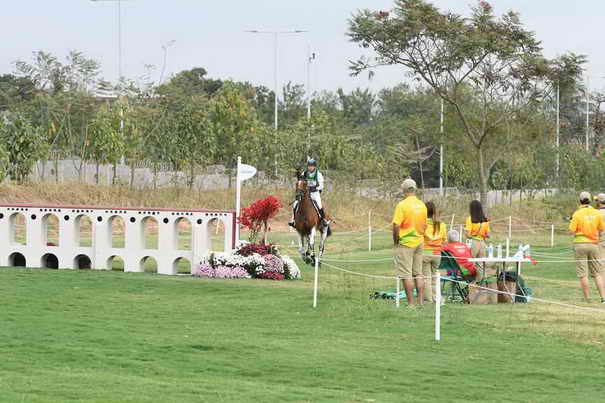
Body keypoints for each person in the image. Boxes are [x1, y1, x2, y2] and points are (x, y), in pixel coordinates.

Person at [392, 178, 427, 306]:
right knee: (418, 273)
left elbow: (396, 225)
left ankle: (411, 303)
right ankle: (421, 302)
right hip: (419, 241)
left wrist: (396, 240)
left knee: (406, 274)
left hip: (406, 243)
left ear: (404, 190)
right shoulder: (422, 205)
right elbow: (424, 225)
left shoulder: (402, 205)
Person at [569, 191, 605, 303]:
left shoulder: (577, 214)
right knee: (597, 273)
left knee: (583, 274)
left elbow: (571, 231)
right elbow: (601, 228)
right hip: (594, 244)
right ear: (590, 200)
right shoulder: (597, 213)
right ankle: (603, 298)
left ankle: (587, 298)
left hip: (580, 244)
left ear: (580, 201)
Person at [289, 158, 330, 227]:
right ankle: (293, 220)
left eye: (311, 166)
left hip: (315, 193)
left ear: (314, 167)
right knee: (295, 203)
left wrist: (313, 188)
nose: (310, 167)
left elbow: (321, 186)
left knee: (319, 205)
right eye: (309, 166)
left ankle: (323, 220)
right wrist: (298, 173)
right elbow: (300, 181)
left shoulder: (318, 174)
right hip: (305, 193)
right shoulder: (305, 173)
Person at [422, 201, 447, 302]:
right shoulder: (442, 225)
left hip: (425, 253)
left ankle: (429, 299)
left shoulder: (423, 224)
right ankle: (437, 298)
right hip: (437, 254)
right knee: (435, 278)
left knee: (426, 278)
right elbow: (444, 240)